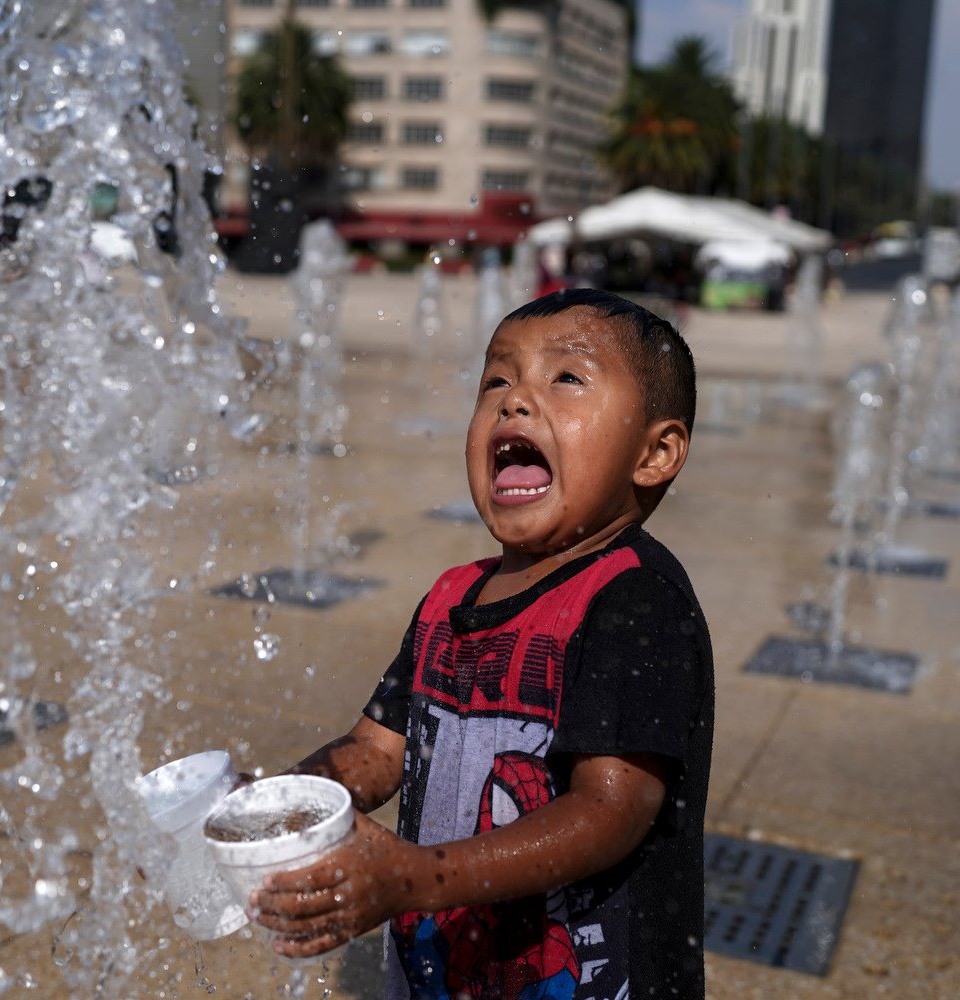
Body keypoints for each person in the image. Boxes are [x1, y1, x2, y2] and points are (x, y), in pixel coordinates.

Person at [252, 287, 715, 1000]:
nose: (516, 401)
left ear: (655, 453)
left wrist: (417, 877)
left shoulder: (635, 600)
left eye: (565, 378)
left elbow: (610, 812)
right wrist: (272, 812)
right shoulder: (449, 598)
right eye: (497, 380)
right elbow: (375, 752)